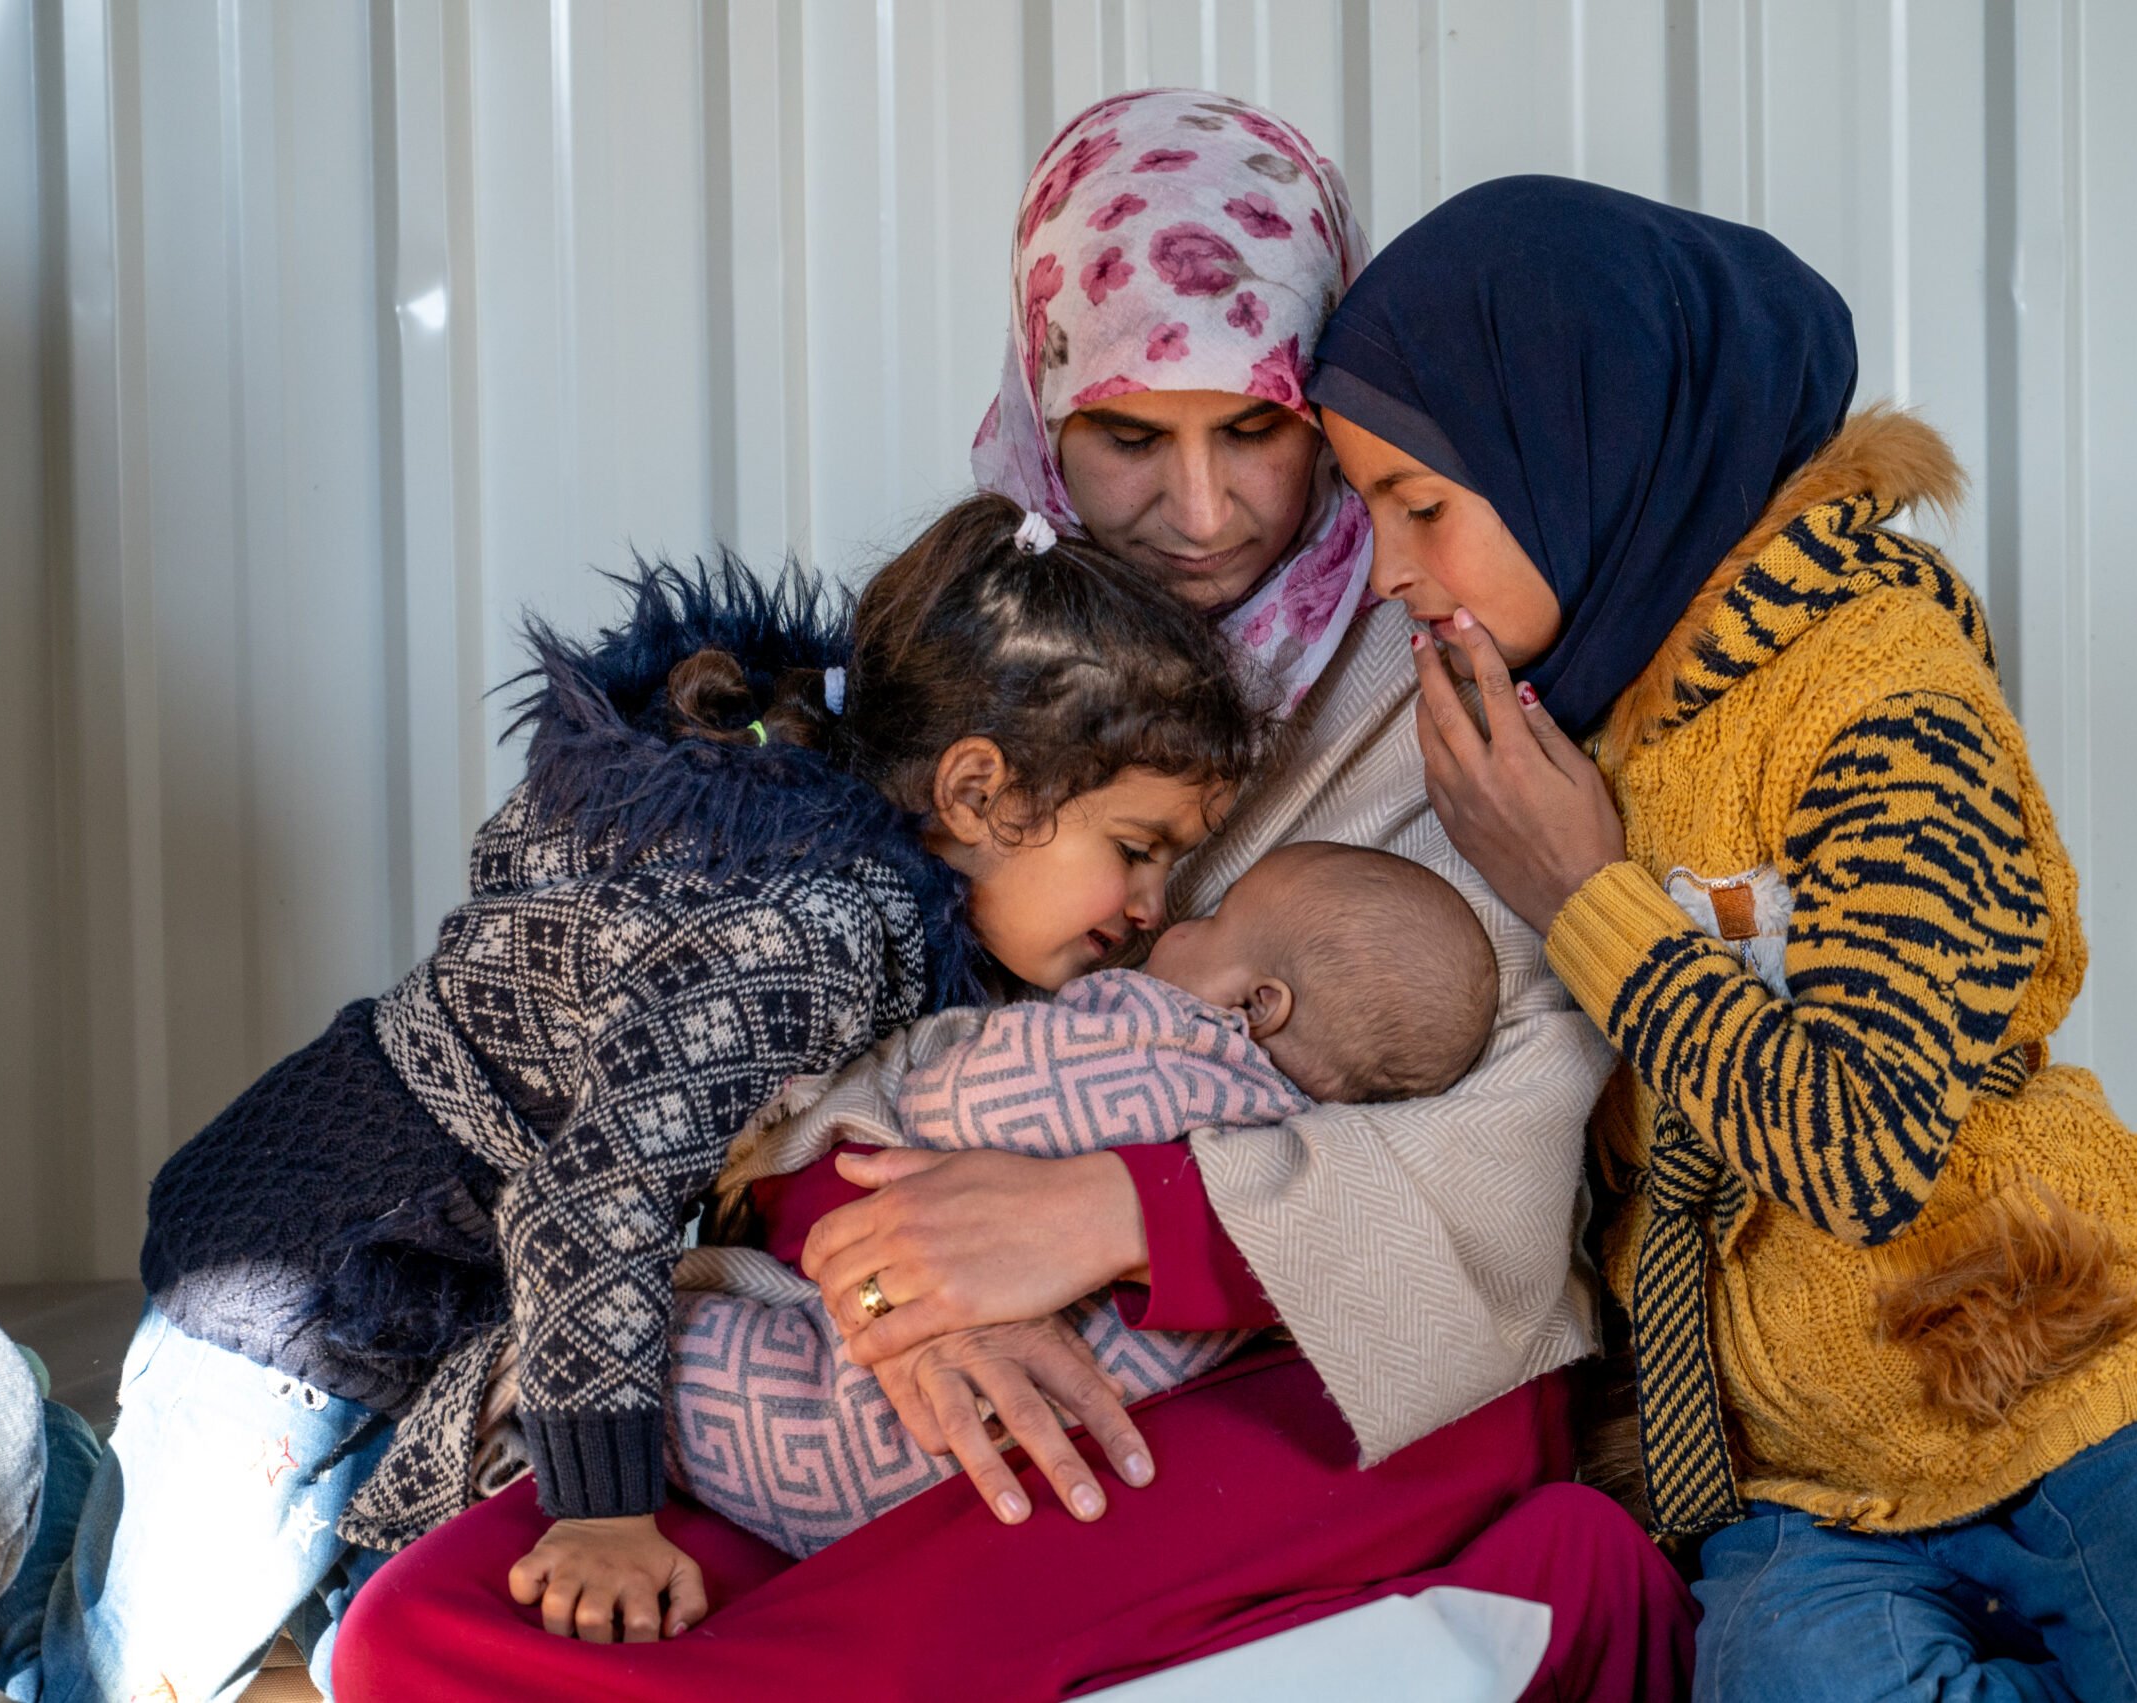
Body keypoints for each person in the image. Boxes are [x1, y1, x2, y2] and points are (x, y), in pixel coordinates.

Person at [336, 91, 1694, 1702]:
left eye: (1256, 428)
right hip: (887, 1355)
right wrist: (901, 1268)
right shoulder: (982, 636)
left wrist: (1114, 1218)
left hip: (1291, 1356)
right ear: (1049, 405)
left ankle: (1524, 1595)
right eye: (1131, 434)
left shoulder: (1465, 667)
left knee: (1410, 1455)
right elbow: (778, 1052)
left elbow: (1527, 1118)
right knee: (415, 1623)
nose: (1205, 513)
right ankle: (1463, 1630)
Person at [1308, 170, 2137, 1702]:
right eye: (1364, 509)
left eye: (1420, 504)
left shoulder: (1882, 693)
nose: (1390, 569)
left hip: (2061, 1387)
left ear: (1589, 443)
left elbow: (1866, 1141)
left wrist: (1584, 901)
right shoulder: (1563, 739)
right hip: (1805, 1475)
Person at [0, 490, 1271, 1703]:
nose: (1153, 908)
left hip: (434, 1272)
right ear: (978, 790)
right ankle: (10, 1455)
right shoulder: (811, 927)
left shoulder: (890, 914)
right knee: (132, 1665)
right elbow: (596, 1190)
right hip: (311, 1263)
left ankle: (54, 1472)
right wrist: (601, 1507)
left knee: (282, 1589)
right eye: (1136, 849)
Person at [667, 840, 1500, 1559]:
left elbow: (964, 1102)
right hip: (972, 1475)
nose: (1172, 924)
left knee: (657, 1355)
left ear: (1258, 1003)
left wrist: (904, 1081)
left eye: (1212, 921)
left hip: (872, 1409)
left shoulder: (1165, 1045)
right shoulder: (1287, 1163)